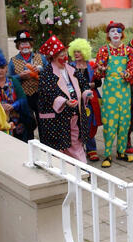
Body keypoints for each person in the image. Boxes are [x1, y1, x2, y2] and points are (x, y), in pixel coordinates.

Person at [38, 35, 93, 163]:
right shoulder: (47, 73)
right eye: (60, 55)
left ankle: (82, 170)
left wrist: (86, 93)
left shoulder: (72, 69)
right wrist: (64, 102)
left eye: (65, 54)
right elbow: (47, 93)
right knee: (59, 149)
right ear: (53, 57)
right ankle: (67, 172)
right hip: (57, 120)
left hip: (75, 116)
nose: (64, 57)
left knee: (76, 143)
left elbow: (83, 84)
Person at [95, 21, 133, 167]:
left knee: (124, 122)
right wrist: (100, 69)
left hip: (124, 91)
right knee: (110, 121)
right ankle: (107, 154)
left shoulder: (129, 51)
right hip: (110, 91)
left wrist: (126, 75)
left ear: (122, 34)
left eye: (118, 31)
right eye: (112, 31)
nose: (115, 34)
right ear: (108, 34)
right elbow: (97, 74)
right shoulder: (103, 50)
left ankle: (121, 152)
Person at [8, 30, 48, 139]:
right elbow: (9, 79)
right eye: (22, 43)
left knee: (43, 121)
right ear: (18, 46)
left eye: (27, 42)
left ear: (30, 44)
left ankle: (45, 146)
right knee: (28, 122)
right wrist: (20, 77)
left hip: (39, 94)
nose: (25, 45)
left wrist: (40, 70)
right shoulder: (13, 61)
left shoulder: (40, 57)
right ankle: (29, 144)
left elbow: (50, 72)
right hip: (24, 96)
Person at [0, 47, 33, 142]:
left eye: (2, 67)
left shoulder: (13, 81)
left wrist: (13, 106)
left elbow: (23, 99)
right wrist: (0, 107)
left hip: (17, 123)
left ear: (6, 68)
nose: (0, 71)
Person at [68, 38, 103, 162]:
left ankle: (91, 148)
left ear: (85, 52)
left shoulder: (91, 66)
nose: (77, 54)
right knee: (77, 123)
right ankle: (78, 147)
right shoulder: (70, 67)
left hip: (91, 99)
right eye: (75, 51)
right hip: (76, 99)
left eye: (79, 51)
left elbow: (98, 82)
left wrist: (90, 85)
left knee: (90, 122)